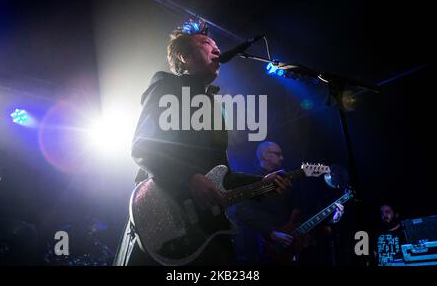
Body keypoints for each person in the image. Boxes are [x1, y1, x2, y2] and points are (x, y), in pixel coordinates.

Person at [113, 19, 289, 266]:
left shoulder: (214, 109)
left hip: (206, 232)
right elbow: (143, 146)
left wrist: (262, 184)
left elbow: (221, 176)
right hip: (161, 217)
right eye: (206, 43)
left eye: (216, 44)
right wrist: (188, 178)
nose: (216, 48)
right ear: (184, 56)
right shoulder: (167, 85)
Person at [228, 141, 344, 265]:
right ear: (266, 155)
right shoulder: (249, 178)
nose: (282, 158)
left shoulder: (287, 181)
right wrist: (271, 233)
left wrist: (330, 218)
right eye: (278, 154)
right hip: (258, 249)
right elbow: (241, 211)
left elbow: (298, 215)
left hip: (286, 249)